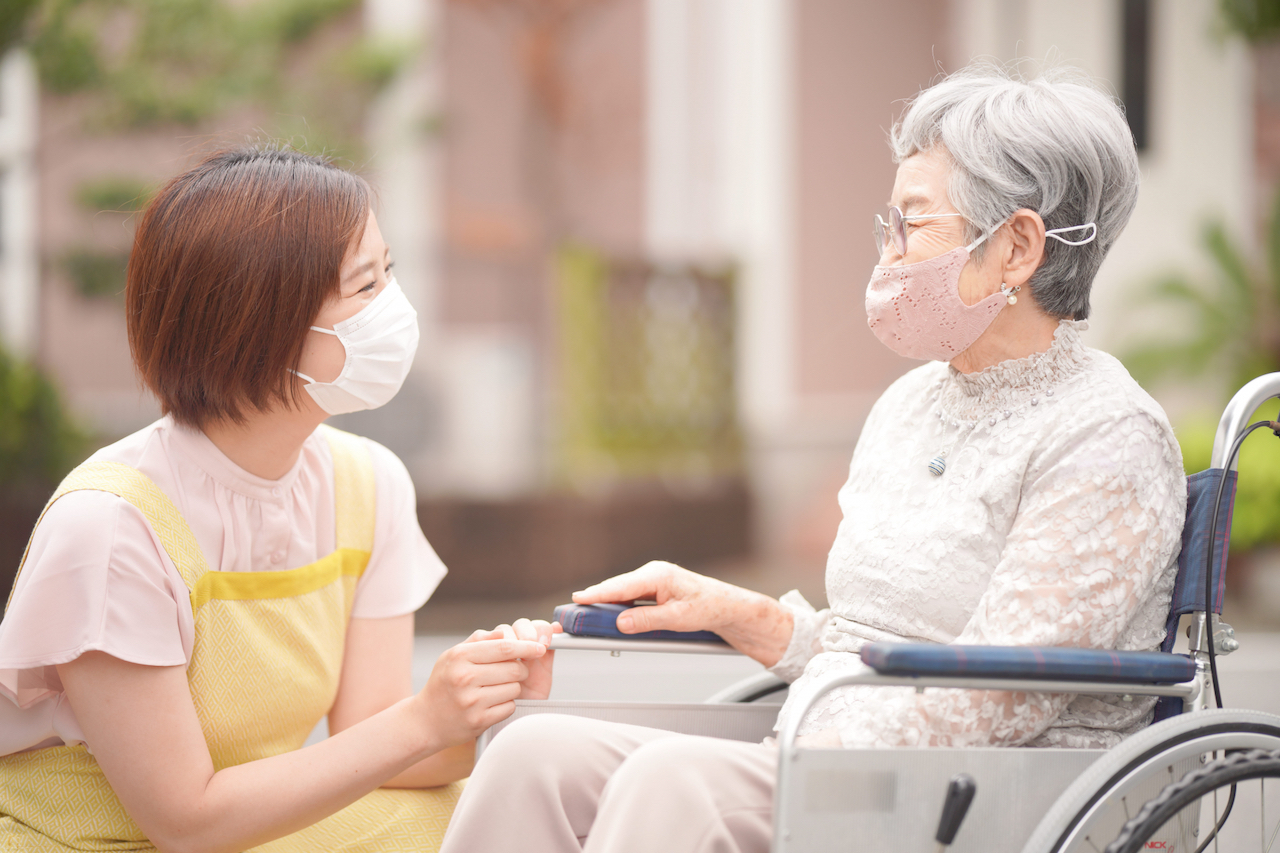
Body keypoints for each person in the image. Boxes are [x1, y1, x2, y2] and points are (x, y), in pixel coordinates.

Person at [437, 63, 1187, 853]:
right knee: (534, 754)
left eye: (914, 224)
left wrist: (811, 752)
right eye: (887, 226)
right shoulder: (909, 405)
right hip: (839, 757)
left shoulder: (1106, 434)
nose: (888, 254)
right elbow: (879, 631)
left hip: (988, 791)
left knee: (677, 784)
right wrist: (750, 616)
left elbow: (1003, 697)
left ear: (1018, 247)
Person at [0, 147, 556, 852]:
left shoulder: (369, 484)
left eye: (389, 273)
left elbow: (378, 748)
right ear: (258, 319)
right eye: (365, 286)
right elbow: (186, 821)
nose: (394, 308)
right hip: (105, 840)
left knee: (490, 811)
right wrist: (421, 721)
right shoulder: (112, 526)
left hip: (249, 830)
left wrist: (469, 703)